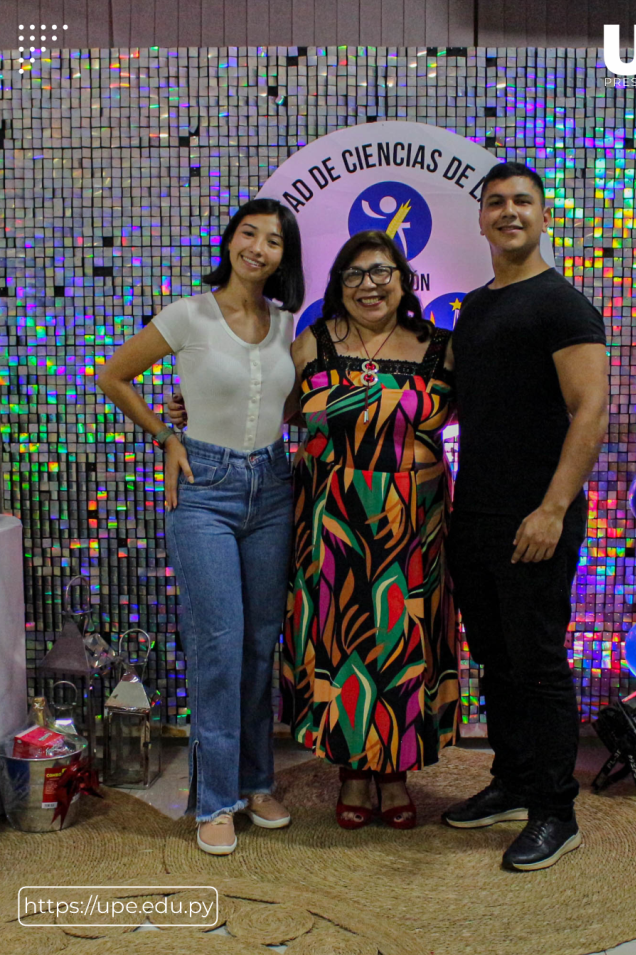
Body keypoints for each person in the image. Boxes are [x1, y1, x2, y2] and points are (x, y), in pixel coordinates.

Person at [97, 198, 305, 855]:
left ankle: (256, 781)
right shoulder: (189, 314)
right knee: (219, 646)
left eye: (273, 240)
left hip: (273, 487)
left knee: (258, 644)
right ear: (232, 240)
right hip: (206, 492)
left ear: (282, 257)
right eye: (250, 233)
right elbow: (112, 375)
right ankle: (214, 800)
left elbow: (286, 407)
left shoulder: (287, 326)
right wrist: (167, 435)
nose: (259, 248)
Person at [442, 162, 609, 871]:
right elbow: (443, 404)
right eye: (497, 203)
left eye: (522, 202)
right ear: (480, 220)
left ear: (543, 217)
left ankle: (554, 811)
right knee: (496, 661)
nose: (509, 212)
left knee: (537, 665)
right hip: (474, 514)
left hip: (535, 519)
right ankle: (511, 781)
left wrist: (552, 507)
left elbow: (592, 410)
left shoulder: (563, 304)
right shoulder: (475, 308)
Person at [282, 230, 460, 830]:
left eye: (381, 271)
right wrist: (187, 413)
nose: (369, 285)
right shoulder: (313, 343)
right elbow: (265, 409)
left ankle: (395, 771)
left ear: (405, 280)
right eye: (354, 274)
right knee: (341, 640)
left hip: (415, 521)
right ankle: (352, 771)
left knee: (403, 643)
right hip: (333, 518)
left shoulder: (440, 347)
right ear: (338, 285)